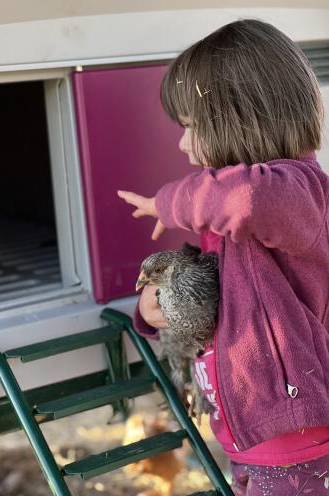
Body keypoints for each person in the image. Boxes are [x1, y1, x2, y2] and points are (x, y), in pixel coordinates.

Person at [117, 19, 329, 496]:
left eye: (190, 127)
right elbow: (216, 303)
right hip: (253, 433)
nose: (181, 144)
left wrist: (170, 202)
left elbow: (248, 196)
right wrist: (155, 309)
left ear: (239, 119)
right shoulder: (235, 224)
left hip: (294, 434)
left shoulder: (297, 194)